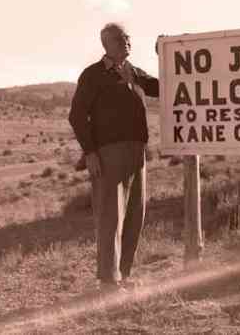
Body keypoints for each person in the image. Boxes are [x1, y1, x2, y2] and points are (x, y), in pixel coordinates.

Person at [68, 22, 160, 290]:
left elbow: (162, 87)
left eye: (128, 37)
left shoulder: (134, 72)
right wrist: (90, 152)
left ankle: (124, 275)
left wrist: (165, 55)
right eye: (121, 38)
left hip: (137, 151)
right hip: (108, 154)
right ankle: (108, 281)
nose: (127, 41)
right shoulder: (93, 75)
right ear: (106, 44)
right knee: (111, 216)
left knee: (134, 214)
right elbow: (76, 116)